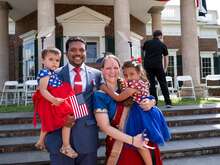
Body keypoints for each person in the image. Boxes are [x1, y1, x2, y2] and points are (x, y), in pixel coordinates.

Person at [93, 55, 163, 165]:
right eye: (108, 68)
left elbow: (145, 97)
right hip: (122, 144)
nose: (112, 71)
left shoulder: (127, 84)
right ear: (101, 70)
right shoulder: (99, 95)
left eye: (115, 68)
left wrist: (151, 102)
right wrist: (133, 141)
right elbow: (105, 127)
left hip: (143, 137)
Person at [44, 37, 103, 165]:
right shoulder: (53, 75)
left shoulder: (97, 75)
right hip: (59, 140)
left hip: (88, 138)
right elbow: (43, 107)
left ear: (86, 52)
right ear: (66, 53)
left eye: (81, 50)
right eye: (73, 50)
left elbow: (108, 95)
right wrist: (59, 118)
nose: (78, 53)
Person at [32, 48, 78, 158]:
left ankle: (40, 141)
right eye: (51, 59)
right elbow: (43, 89)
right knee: (68, 118)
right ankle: (66, 146)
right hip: (51, 100)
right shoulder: (45, 72)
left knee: (49, 121)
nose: (54, 62)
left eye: (57, 60)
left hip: (54, 98)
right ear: (43, 61)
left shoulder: (53, 73)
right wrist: (54, 100)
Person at [122, 60, 171, 164]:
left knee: (141, 142)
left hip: (140, 113)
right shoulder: (142, 82)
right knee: (144, 141)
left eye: (132, 74)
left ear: (139, 73)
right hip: (145, 111)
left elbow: (120, 97)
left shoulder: (133, 84)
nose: (129, 77)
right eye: (125, 75)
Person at [143, 30, 172, 108]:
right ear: (160, 36)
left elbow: (145, 54)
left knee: (151, 85)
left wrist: (145, 66)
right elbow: (166, 58)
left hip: (148, 66)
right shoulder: (162, 45)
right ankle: (168, 102)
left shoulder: (147, 43)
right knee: (163, 84)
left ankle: (154, 103)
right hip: (158, 66)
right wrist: (165, 68)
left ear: (153, 36)